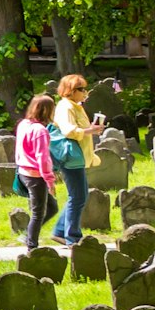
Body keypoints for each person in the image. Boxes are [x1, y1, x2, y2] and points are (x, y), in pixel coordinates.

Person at [49, 73, 104, 247]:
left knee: (79, 195)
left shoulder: (75, 106)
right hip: (70, 157)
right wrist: (91, 131)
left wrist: (92, 129)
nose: (85, 92)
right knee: (78, 196)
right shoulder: (65, 107)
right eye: (81, 89)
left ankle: (60, 232)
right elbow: (68, 130)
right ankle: (72, 237)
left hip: (77, 157)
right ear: (71, 91)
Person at [14, 94, 59, 249]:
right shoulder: (40, 131)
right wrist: (50, 181)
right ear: (47, 111)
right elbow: (42, 158)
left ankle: (28, 235)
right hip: (35, 176)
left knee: (52, 207)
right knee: (38, 213)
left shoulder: (23, 124)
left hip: (23, 172)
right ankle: (31, 246)